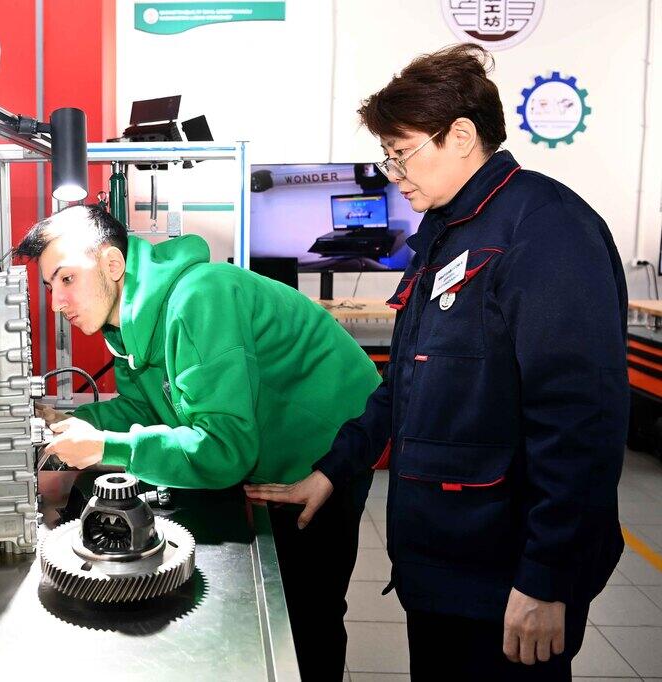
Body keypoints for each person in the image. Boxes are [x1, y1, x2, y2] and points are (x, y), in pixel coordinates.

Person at [245, 44, 628, 681]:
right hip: (442, 566)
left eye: (401, 152)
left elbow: (580, 421)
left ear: (461, 136)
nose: (393, 173)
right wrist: (333, 471)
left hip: (507, 575)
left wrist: (548, 578)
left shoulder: (545, 230)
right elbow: (404, 384)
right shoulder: (445, 232)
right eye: (388, 155)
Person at [14, 204, 381, 680]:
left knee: (305, 615)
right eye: (51, 286)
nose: (57, 302)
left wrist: (106, 448)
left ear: (112, 264)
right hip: (267, 454)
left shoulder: (200, 298)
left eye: (67, 278)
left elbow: (225, 448)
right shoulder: (128, 328)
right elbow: (144, 408)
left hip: (327, 455)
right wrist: (68, 423)